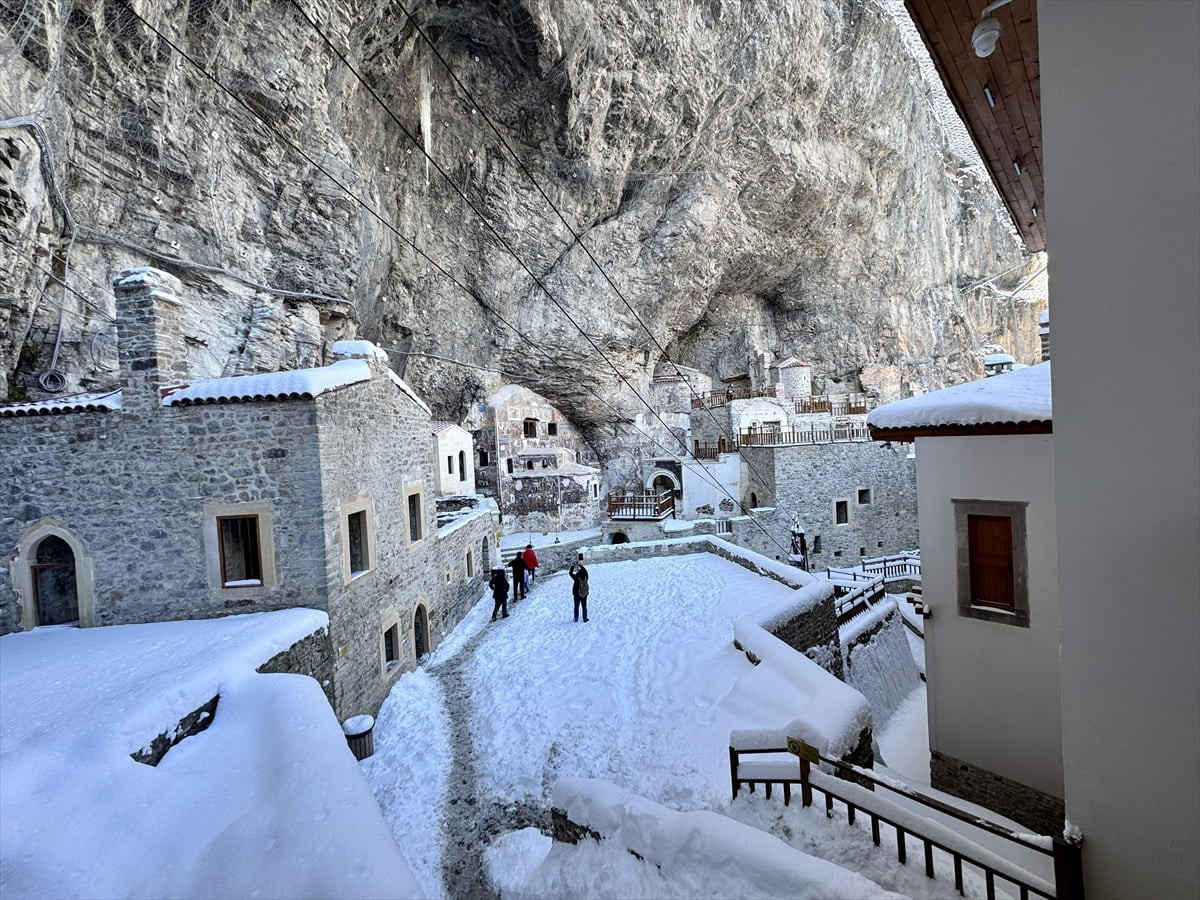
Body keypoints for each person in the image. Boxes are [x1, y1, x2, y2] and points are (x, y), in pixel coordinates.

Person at [569, 556, 589, 623]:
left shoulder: (576, 578)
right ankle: (585, 618)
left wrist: (573, 566)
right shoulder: (586, 577)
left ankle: (576, 618)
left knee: (576, 606)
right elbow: (585, 571)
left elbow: (570, 573)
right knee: (584, 606)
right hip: (584, 594)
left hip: (576, 594)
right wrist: (580, 565)